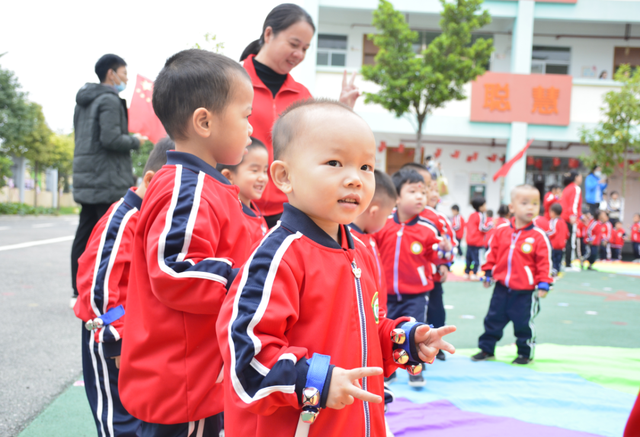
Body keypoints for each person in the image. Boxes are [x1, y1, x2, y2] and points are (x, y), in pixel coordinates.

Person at [216, 99, 456, 437]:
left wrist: (404, 340)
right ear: (284, 176)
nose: (355, 180)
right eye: (335, 162)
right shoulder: (277, 256)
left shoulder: (361, 249)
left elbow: (368, 330)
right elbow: (248, 358)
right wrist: (316, 381)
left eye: (366, 167)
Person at [118, 50, 255, 437]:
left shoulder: (203, 185)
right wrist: (248, 281)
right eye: (245, 115)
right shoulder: (187, 187)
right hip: (184, 381)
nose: (250, 128)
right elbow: (173, 267)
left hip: (194, 374)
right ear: (204, 121)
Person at [73, 138, 174, 437]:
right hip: (110, 335)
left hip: (138, 334)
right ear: (150, 181)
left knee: (140, 413)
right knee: (116, 420)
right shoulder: (123, 218)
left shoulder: (154, 217)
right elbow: (96, 285)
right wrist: (114, 335)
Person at [241, 4, 360, 228]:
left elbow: (322, 145)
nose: (299, 54)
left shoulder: (303, 96)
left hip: (287, 211)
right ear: (268, 34)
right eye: (294, 44)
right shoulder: (234, 80)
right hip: (237, 203)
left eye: (305, 48)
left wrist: (343, 109)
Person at [70, 54, 147, 306]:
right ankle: (102, 294)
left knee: (84, 234)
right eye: (124, 74)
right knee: (109, 238)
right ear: (111, 74)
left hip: (86, 174)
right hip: (106, 178)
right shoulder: (110, 101)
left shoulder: (83, 101)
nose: (126, 79)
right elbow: (111, 139)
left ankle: (77, 291)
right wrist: (136, 140)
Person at [376, 169, 452, 387]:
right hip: (386, 293)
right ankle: (387, 371)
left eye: (422, 192)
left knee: (414, 332)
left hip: (416, 294)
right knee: (388, 332)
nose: (420, 196)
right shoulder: (383, 224)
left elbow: (435, 256)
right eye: (412, 191)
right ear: (397, 197)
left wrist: (444, 254)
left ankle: (415, 370)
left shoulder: (427, 229)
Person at [471, 185, 553, 365]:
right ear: (512, 208)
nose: (530, 207)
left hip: (525, 291)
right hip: (502, 288)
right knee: (493, 318)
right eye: (524, 203)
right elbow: (492, 253)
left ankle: (525, 352)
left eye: (535, 203)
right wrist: (487, 272)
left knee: (523, 323)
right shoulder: (501, 231)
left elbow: (544, 263)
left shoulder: (539, 236)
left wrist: (544, 283)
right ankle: (486, 348)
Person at [349, 169, 398, 320]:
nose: (389, 218)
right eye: (389, 214)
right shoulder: (350, 242)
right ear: (374, 211)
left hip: (377, 318)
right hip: (365, 319)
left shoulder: (367, 237)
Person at [423, 186, 458, 361]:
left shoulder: (440, 218)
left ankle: (437, 345)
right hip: (409, 277)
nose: (434, 194)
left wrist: (445, 263)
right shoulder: (401, 216)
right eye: (430, 190)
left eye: (436, 191)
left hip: (433, 274)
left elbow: (450, 242)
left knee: (436, 310)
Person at [217, 137, 269, 245]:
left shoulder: (252, 208)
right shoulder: (233, 219)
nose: (263, 177)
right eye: (255, 170)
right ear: (228, 176)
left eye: (265, 171)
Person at [465, 196, 492, 280]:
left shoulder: (471, 215)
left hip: (469, 240)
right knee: (476, 259)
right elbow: (482, 228)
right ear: (480, 207)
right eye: (485, 205)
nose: (486, 207)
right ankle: (474, 273)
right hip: (477, 241)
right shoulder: (481, 215)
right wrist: (490, 225)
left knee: (468, 257)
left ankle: (466, 272)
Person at [560, 171, 583, 270]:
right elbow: (574, 203)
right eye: (580, 177)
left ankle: (564, 262)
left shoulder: (567, 188)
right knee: (571, 240)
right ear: (576, 177)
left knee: (565, 240)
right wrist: (573, 216)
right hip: (569, 218)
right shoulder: (575, 188)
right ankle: (569, 263)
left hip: (563, 217)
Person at [547, 203, 569, 276]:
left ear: (553, 212)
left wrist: (546, 235)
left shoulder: (554, 221)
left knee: (553, 259)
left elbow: (553, 231)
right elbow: (567, 234)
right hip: (561, 245)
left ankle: (554, 271)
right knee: (558, 259)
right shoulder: (563, 222)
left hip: (554, 244)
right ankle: (557, 270)